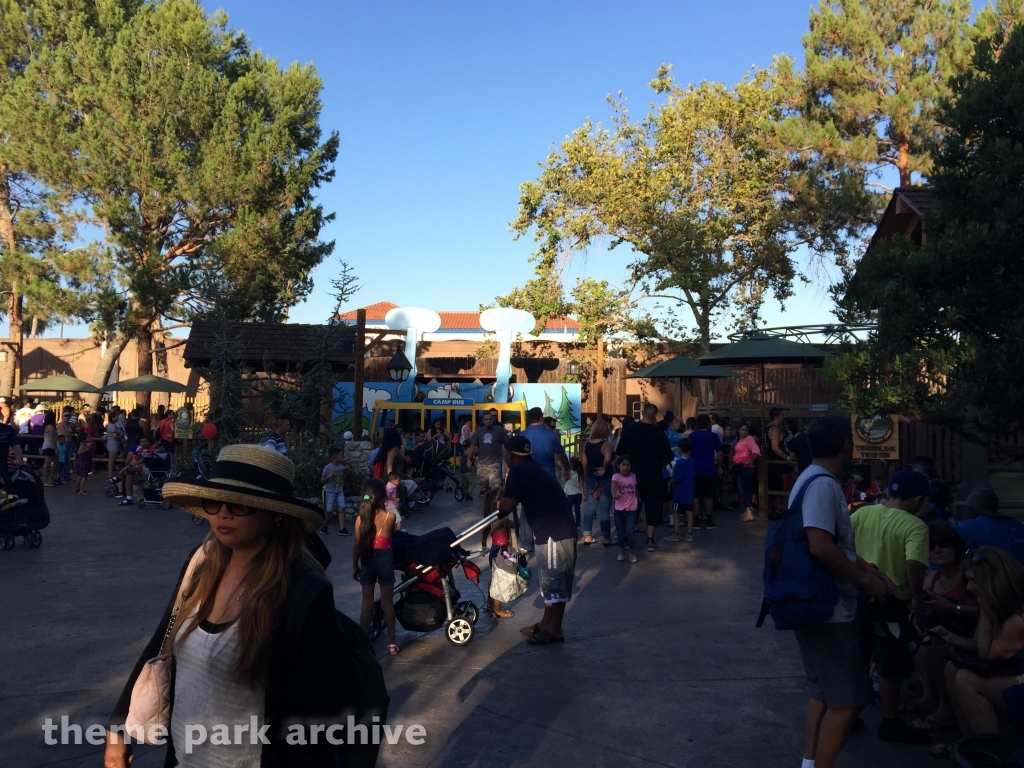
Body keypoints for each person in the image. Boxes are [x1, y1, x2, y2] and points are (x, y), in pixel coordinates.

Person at [105, 444, 380, 768]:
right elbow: (161, 640)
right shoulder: (200, 566)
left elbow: (315, 720)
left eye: (239, 505)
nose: (223, 512)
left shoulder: (302, 592)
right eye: (214, 500)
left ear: (275, 512)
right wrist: (117, 730)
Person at [791, 415, 893, 768]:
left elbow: (830, 542)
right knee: (847, 702)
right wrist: (864, 580)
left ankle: (809, 762)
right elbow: (820, 545)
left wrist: (864, 567)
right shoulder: (823, 485)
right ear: (845, 446)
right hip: (829, 607)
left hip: (815, 602)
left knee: (822, 693)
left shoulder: (810, 479)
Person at [849, 469, 932, 744]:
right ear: (918, 500)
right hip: (892, 602)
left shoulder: (863, 513)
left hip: (860, 592)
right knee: (890, 662)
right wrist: (917, 600)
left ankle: (848, 717)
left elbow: (846, 545)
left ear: (888, 493)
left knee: (859, 656)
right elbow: (914, 565)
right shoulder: (915, 526)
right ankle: (890, 721)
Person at [930, 547, 1024, 758]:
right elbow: (977, 644)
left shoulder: (1017, 619)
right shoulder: (1003, 605)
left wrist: (986, 612)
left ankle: (991, 753)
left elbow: (986, 654)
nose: (970, 587)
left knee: (967, 680)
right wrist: (949, 637)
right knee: (952, 668)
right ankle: (969, 742)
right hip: (1016, 673)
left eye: (974, 581)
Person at [498, 435, 577, 645]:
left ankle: (555, 629)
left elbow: (506, 505)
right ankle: (546, 622)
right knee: (548, 581)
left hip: (554, 532)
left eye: (504, 452)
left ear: (511, 454)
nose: (503, 455)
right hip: (553, 529)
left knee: (555, 580)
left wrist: (497, 502)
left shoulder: (519, 471)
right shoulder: (532, 467)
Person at [907, 522, 975, 732]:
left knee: (932, 651)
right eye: (932, 546)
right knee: (917, 642)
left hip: (969, 636)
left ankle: (946, 710)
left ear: (955, 547)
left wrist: (951, 608)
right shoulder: (933, 578)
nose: (937, 550)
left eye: (943, 545)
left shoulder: (969, 577)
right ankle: (930, 697)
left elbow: (985, 612)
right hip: (941, 633)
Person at [615, 403, 673, 553]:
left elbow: (620, 452)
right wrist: (660, 464)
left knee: (631, 506)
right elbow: (668, 456)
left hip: (632, 476)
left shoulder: (629, 430)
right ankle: (650, 539)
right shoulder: (659, 433)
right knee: (653, 507)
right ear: (655, 415)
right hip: (653, 475)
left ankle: (628, 534)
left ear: (642, 412)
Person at [353, 477, 399, 656]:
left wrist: (354, 566)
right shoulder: (391, 517)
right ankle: (392, 643)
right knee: (388, 603)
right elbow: (393, 537)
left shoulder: (360, 520)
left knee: (367, 603)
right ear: (382, 496)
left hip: (366, 558)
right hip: (385, 558)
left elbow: (357, 545)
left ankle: (365, 642)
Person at [465, 410, 509, 549]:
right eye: (486, 419)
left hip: (495, 463)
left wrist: (508, 460)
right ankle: (487, 508)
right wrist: (469, 458)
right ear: (483, 420)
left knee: (496, 488)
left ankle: (495, 509)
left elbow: (507, 446)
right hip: (482, 464)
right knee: (484, 488)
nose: (489, 421)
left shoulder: (500, 431)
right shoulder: (479, 432)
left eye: (491, 419)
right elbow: (472, 446)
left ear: (493, 420)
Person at [957, 488, 1024, 563]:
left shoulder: (968, 526)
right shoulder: (1016, 523)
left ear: (972, 509)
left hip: (991, 573)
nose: (966, 510)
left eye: (968, 507)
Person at [580, 418, 615, 547]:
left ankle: (587, 535)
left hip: (590, 478)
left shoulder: (587, 444)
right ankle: (606, 536)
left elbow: (584, 462)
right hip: (604, 478)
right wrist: (605, 468)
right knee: (605, 508)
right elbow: (608, 458)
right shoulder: (606, 445)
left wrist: (586, 473)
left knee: (590, 506)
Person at [687, 414, 724, 530]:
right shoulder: (713, 437)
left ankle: (696, 519)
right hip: (709, 468)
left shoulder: (692, 436)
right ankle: (709, 519)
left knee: (696, 495)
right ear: (708, 424)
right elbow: (720, 453)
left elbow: (688, 451)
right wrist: (720, 466)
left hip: (695, 468)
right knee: (709, 495)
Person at [521, 406, 569, 479]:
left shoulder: (521, 435)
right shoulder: (551, 434)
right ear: (541, 418)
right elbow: (561, 454)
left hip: (527, 476)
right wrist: (567, 469)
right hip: (548, 476)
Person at [611, 455, 639, 563]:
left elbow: (635, 487)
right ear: (618, 466)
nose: (625, 467)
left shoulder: (633, 476)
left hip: (632, 507)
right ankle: (621, 550)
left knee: (630, 530)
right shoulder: (615, 476)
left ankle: (632, 551)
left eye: (628, 465)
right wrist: (614, 495)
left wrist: (638, 497)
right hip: (619, 508)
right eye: (623, 465)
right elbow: (613, 487)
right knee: (621, 531)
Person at [115, 438, 157, 505]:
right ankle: (129, 498)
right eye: (142, 442)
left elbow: (141, 461)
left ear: (149, 442)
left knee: (136, 467)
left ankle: (120, 476)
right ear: (140, 444)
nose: (144, 443)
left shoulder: (152, 449)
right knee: (129, 475)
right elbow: (132, 462)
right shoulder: (139, 451)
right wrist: (127, 468)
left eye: (146, 441)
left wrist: (123, 470)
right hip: (140, 471)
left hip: (150, 471)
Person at [667, 437, 694, 542]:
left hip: (679, 492)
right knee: (688, 511)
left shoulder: (679, 463)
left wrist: (671, 481)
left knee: (676, 511)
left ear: (679, 448)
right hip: (689, 490)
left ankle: (676, 532)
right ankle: (689, 532)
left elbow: (678, 477)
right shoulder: (691, 461)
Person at [732, 423, 760, 522]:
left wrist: (749, 461)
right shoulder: (739, 440)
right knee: (742, 489)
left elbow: (756, 450)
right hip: (740, 467)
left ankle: (749, 511)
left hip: (746, 467)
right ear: (738, 430)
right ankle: (747, 511)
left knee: (745, 490)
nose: (744, 432)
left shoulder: (749, 439)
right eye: (742, 430)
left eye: (746, 430)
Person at [319, 446, 348, 537]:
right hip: (330, 491)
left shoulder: (341, 466)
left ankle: (342, 529)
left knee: (342, 508)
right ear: (335, 457)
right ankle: (324, 526)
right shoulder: (328, 467)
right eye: (340, 456)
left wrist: (347, 471)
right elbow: (322, 480)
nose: (342, 457)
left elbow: (343, 478)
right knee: (329, 510)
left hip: (339, 490)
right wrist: (329, 476)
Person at [765, 408, 790, 512]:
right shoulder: (775, 430)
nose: (783, 417)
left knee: (775, 490)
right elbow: (775, 447)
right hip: (779, 466)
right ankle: (780, 512)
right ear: (777, 416)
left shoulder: (767, 428)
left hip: (773, 466)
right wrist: (787, 458)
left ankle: (774, 510)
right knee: (780, 491)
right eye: (782, 415)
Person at [564, 456, 583, 529]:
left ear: (572, 464)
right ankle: (578, 524)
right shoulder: (580, 473)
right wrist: (583, 495)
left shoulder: (569, 473)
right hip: (579, 494)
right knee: (577, 510)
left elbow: (562, 470)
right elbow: (581, 485)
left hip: (570, 495)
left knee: (569, 509)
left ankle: (570, 523)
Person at [40, 410, 58, 487]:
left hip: (48, 445)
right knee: (47, 464)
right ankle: (46, 481)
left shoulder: (47, 426)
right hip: (49, 446)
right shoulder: (50, 427)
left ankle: (51, 479)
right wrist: (55, 448)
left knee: (56, 463)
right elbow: (52, 438)